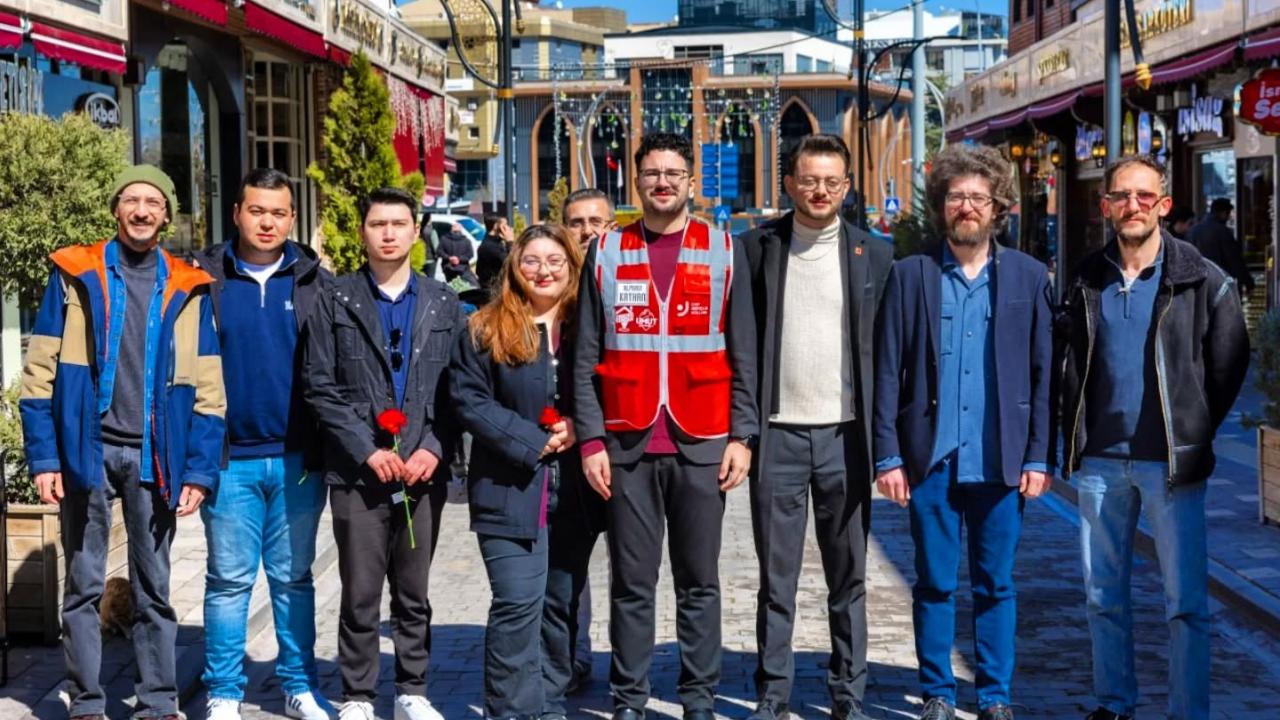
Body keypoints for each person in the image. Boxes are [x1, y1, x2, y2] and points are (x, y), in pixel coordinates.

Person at [19, 164, 225, 720]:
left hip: (154, 455)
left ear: (166, 214)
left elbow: (209, 389)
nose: (141, 211)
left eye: (152, 202)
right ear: (115, 209)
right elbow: (38, 372)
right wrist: (43, 456)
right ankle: (86, 702)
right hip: (86, 450)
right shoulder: (75, 274)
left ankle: (158, 703)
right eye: (131, 200)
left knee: (153, 588)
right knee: (83, 586)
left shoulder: (189, 286)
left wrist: (201, 471)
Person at [1056, 155, 1249, 720]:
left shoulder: (1202, 279)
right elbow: (1070, 360)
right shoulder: (1087, 278)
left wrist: (1193, 429)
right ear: (1106, 206)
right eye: (1122, 196)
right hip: (1099, 462)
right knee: (1101, 596)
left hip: (1170, 466)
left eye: (1145, 196)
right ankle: (1114, 703)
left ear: (1163, 205)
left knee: (1185, 602)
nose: (1133, 205)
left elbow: (1229, 364)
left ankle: (1188, 711)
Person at [574, 132, 758, 720]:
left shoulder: (724, 249)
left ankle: (698, 699)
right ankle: (628, 700)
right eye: (651, 172)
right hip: (626, 440)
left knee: (699, 582)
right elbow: (584, 358)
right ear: (636, 180)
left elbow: (744, 352)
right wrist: (591, 440)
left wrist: (742, 435)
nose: (662, 182)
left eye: (673, 173)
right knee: (631, 584)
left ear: (690, 181)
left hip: (701, 438)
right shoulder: (606, 251)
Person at [873, 145, 1054, 720]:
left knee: (995, 584)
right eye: (957, 197)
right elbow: (885, 371)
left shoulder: (1028, 276)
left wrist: (1039, 457)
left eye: (978, 197)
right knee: (931, 582)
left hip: (1000, 459)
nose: (967, 206)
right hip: (931, 459)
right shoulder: (911, 276)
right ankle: (937, 693)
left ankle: (995, 694)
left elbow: (1043, 373)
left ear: (997, 207)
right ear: (941, 206)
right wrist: (887, 456)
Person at [740, 134, 893, 720]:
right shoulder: (757, 248)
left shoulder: (873, 255)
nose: (820, 190)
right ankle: (773, 696)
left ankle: (847, 695)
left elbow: (884, 351)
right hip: (779, 434)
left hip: (845, 437)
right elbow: (744, 346)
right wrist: (746, 430)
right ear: (789, 183)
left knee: (847, 577)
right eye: (809, 179)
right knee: (776, 579)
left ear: (847, 187)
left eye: (831, 181)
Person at [303, 187, 465, 720]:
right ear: (362, 232)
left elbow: (460, 391)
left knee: (413, 589)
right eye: (378, 224)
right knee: (361, 589)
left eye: (399, 223)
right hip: (359, 473)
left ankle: (413, 690)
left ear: (416, 232)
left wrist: (435, 450)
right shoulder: (335, 298)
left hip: (422, 470)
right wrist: (366, 450)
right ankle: (358, 695)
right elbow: (319, 384)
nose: (389, 233)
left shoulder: (444, 302)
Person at [194, 168, 331, 720]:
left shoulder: (315, 281)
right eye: (257, 210)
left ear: (292, 218)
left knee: (294, 579)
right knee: (228, 581)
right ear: (236, 213)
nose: (267, 221)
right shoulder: (204, 279)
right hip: (228, 461)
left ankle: (298, 684)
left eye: (278, 212)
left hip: (299, 458)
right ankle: (224, 691)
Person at [451, 223, 603, 720]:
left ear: (571, 267)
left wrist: (580, 427)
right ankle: (511, 711)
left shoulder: (588, 325)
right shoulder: (485, 327)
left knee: (560, 604)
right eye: (532, 260)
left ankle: (549, 703)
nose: (544, 270)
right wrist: (534, 441)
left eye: (555, 261)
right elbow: (469, 401)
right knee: (518, 603)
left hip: (575, 492)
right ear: (516, 266)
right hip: (508, 487)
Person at [559, 185, 619, 692]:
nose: (587, 232)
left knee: (629, 562)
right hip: (565, 447)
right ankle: (574, 656)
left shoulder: (623, 279)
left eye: (597, 222)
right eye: (577, 223)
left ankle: (629, 658)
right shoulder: (548, 284)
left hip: (621, 444)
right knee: (569, 561)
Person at [1188, 197, 1255, 295]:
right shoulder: (1223, 232)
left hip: (1198, 285)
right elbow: (1234, 260)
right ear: (1223, 213)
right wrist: (1248, 282)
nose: (1228, 217)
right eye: (1228, 214)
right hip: (1220, 285)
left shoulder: (1193, 231)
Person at [476, 214, 514, 298]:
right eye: (505, 225)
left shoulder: (495, 242)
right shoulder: (490, 247)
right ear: (497, 226)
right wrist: (510, 242)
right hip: (494, 293)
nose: (508, 228)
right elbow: (512, 263)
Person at [440, 221, 478, 286]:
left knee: (451, 287)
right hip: (462, 268)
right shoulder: (466, 241)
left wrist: (449, 258)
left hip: (448, 268)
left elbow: (439, 252)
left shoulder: (444, 239)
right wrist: (459, 259)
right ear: (461, 230)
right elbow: (470, 255)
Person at [420, 210, 439, 278]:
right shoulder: (432, 231)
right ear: (429, 219)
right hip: (430, 259)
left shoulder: (419, 230)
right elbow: (436, 246)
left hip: (420, 259)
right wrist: (437, 256)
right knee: (430, 280)